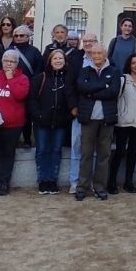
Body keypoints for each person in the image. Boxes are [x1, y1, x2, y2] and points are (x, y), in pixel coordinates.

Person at [75, 45, 122, 201]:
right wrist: (103, 85)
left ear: (105, 54)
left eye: (99, 53)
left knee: (104, 155)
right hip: (88, 118)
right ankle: (82, 187)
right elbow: (82, 87)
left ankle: (100, 187)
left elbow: (113, 91)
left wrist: (91, 92)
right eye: (94, 53)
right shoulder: (84, 70)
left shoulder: (114, 71)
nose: (96, 55)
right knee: (86, 154)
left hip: (106, 118)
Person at [27, 49, 74, 195]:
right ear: (50, 61)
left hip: (60, 123)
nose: (58, 61)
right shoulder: (40, 78)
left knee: (56, 151)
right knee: (42, 151)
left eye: (61, 58)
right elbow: (32, 100)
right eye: (55, 58)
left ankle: (52, 180)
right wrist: (39, 116)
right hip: (42, 122)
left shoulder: (68, 79)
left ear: (65, 61)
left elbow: (72, 100)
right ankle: (43, 180)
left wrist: (67, 117)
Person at [0, 49, 29, 196]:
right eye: (6, 61)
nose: (8, 64)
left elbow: (20, 95)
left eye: (12, 61)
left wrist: (10, 79)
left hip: (13, 125)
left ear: (17, 63)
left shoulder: (23, 78)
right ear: (1, 62)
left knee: (8, 154)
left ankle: (4, 183)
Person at [108, 53, 136, 194]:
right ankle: (111, 182)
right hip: (123, 122)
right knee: (119, 152)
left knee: (133, 152)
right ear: (129, 65)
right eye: (133, 63)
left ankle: (129, 182)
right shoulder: (123, 80)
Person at [67, 32, 100, 194]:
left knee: (93, 149)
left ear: (96, 42)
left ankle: (91, 181)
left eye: (91, 41)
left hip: (98, 110)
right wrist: (73, 106)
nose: (87, 43)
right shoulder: (75, 59)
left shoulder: (103, 59)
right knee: (77, 147)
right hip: (79, 109)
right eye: (85, 41)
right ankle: (75, 181)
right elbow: (69, 85)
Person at [10, 25, 44, 149]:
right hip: (13, 86)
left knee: (28, 115)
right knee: (14, 113)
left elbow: (39, 68)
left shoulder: (34, 51)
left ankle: (27, 139)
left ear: (28, 37)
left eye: (22, 35)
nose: (19, 37)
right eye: (16, 35)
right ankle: (13, 139)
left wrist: (33, 84)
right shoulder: (9, 50)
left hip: (30, 86)